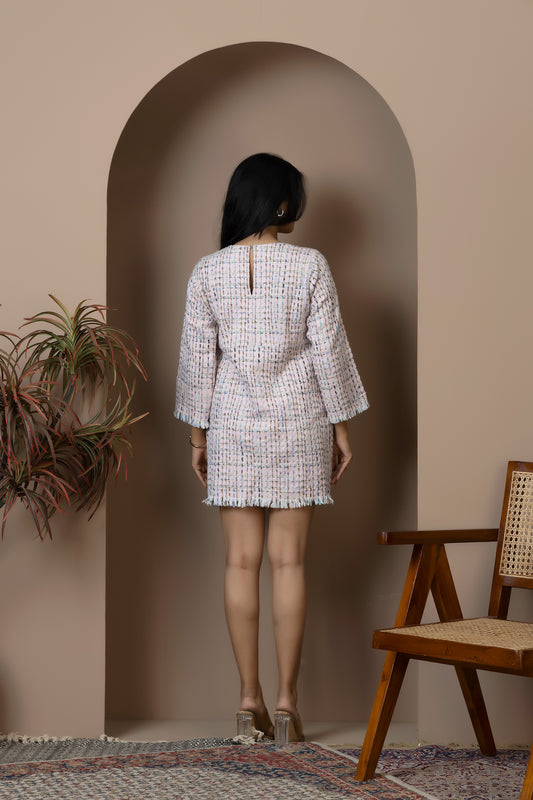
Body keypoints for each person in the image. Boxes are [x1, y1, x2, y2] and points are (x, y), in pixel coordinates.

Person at [174, 152, 369, 744]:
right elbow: (328, 350)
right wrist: (341, 429)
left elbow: (197, 363)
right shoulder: (310, 265)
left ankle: (246, 701)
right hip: (299, 421)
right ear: (281, 203)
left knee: (240, 562)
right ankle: (286, 705)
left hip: (231, 423)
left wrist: (197, 436)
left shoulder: (207, 272)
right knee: (289, 563)